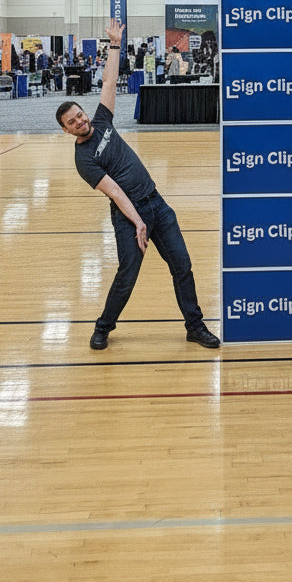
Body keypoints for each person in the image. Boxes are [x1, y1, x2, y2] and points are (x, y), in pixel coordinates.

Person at [56, 18, 220, 352]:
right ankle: (103, 327)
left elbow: (109, 82)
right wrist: (138, 221)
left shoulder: (101, 121)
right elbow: (115, 192)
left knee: (182, 266)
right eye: (72, 122)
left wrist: (115, 45)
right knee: (128, 275)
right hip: (129, 214)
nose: (80, 121)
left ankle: (195, 326)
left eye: (80, 115)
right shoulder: (83, 160)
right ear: (67, 131)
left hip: (157, 203)